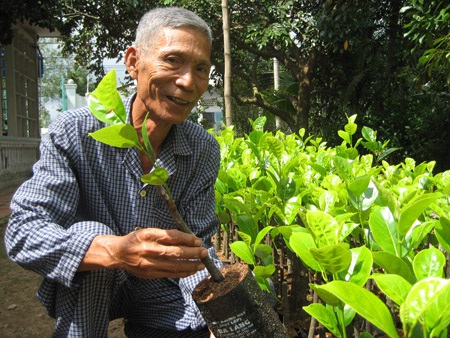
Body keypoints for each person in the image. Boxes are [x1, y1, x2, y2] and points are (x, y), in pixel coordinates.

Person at [5, 7, 222, 338]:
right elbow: (22, 232)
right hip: (87, 286)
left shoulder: (202, 149)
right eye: (173, 60)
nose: (188, 81)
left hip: (161, 291)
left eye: (201, 68)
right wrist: (115, 251)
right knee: (92, 233)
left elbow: (196, 243)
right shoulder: (74, 132)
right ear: (134, 62)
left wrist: (218, 306)